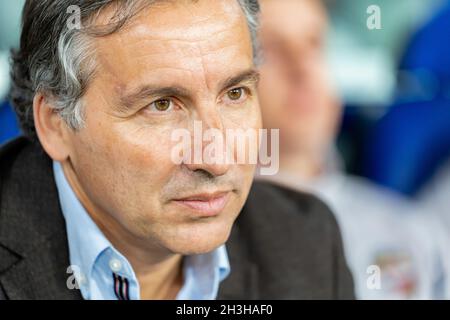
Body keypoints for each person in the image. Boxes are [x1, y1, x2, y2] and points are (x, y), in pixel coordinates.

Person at [0, 0, 353, 300]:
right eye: (162, 105)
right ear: (56, 122)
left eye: (234, 94)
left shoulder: (306, 242)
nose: (216, 159)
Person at [256, 0, 446, 299]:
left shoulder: (412, 233)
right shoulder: (201, 239)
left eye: (314, 44)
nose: (302, 67)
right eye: (270, 49)